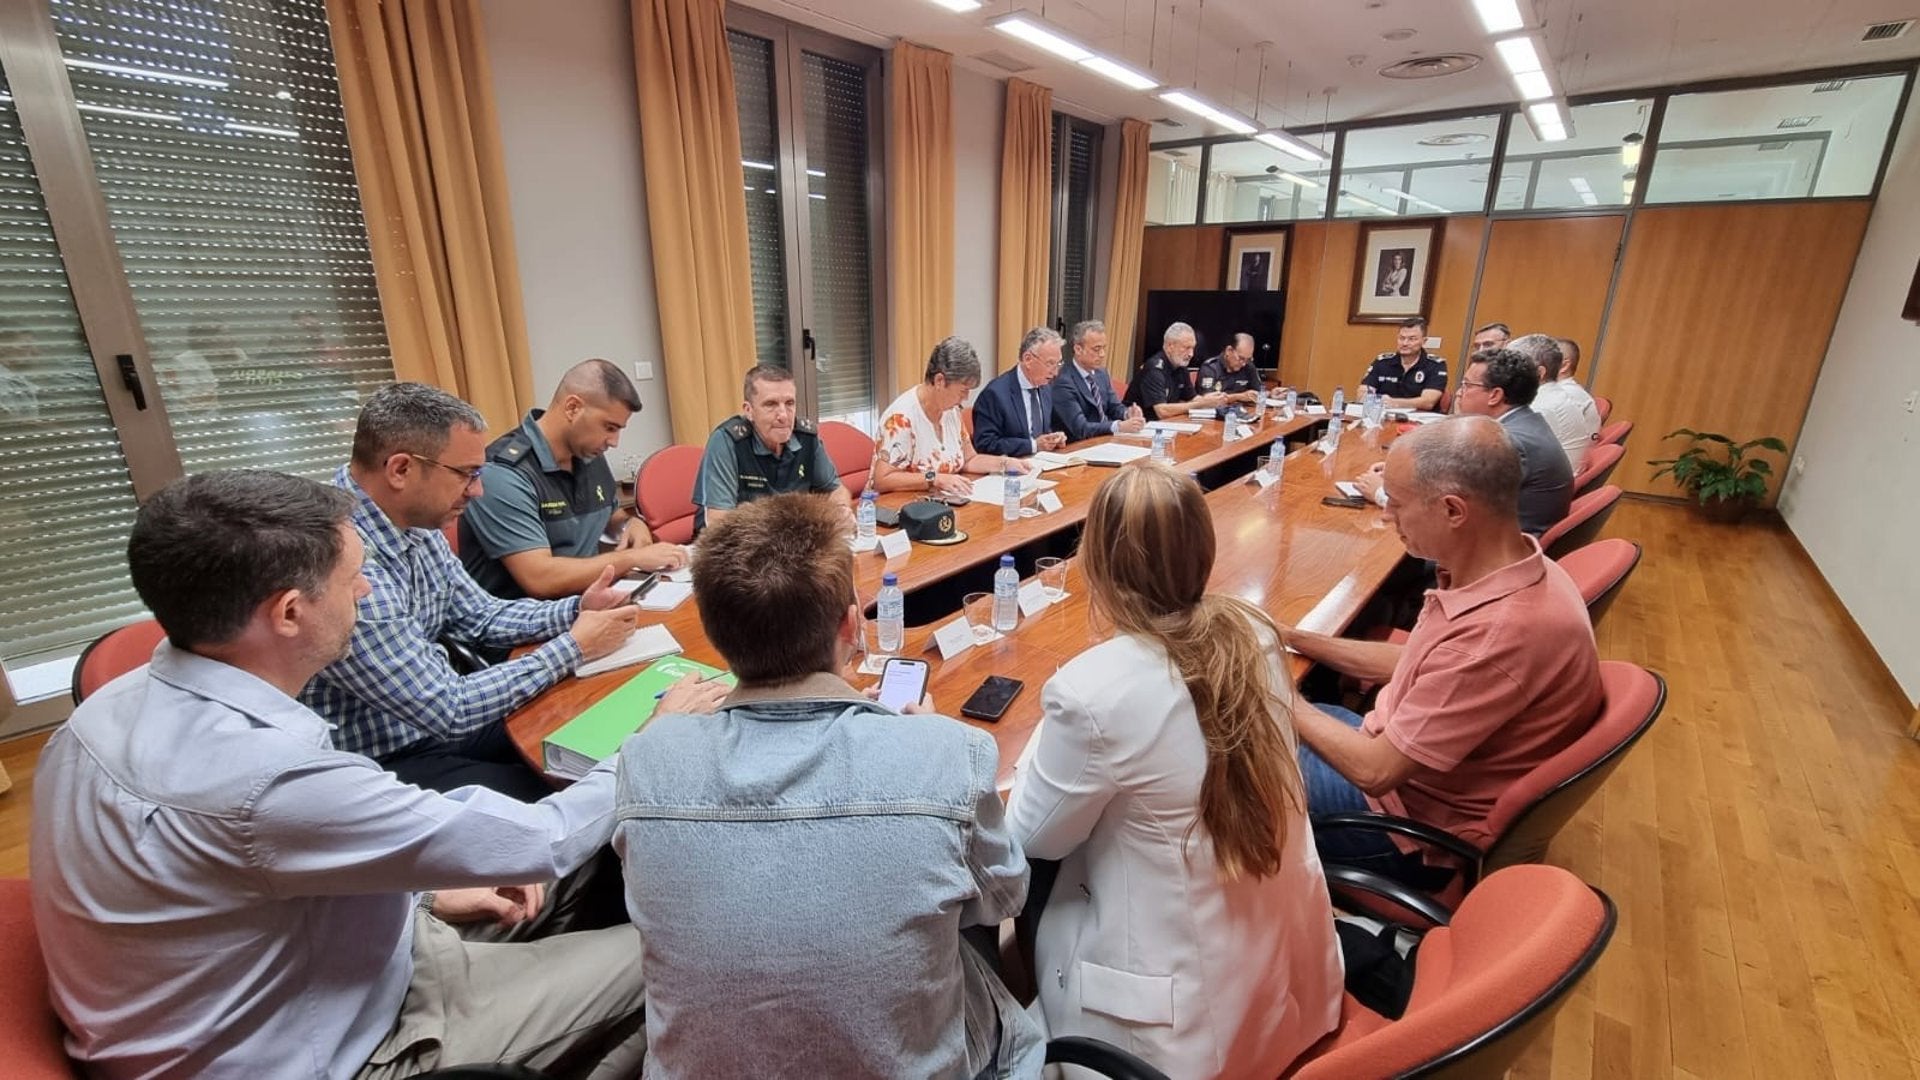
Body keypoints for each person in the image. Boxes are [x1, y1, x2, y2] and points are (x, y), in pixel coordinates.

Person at [29, 469, 710, 1079]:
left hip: (304, 973)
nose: (366, 589)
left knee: (583, 876)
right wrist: (649, 742)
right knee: (679, 954)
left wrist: (424, 895)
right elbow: (542, 838)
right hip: (340, 1044)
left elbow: (221, 878)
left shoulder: (96, 716)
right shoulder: (269, 781)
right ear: (290, 612)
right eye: (354, 577)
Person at [612, 493, 1043, 1077]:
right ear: (850, 623)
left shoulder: (645, 762)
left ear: (713, 634)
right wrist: (926, 748)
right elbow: (1005, 899)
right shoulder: (948, 755)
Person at [1006, 464, 1341, 1078]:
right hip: (1275, 978)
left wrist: (1034, 753)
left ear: (1098, 566)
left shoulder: (1091, 691)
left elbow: (1032, 840)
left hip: (1168, 1034)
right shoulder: (1256, 632)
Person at [1282, 418, 1602, 880]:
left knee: (1212, 765)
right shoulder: (1517, 568)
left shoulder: (1498, 633)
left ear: (1454, 510)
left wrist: (1274, 688)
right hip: (1396, 756)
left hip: (1398, 827)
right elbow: (1414, 662)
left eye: (1396, 503)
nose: (1387, 514)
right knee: (1252, 724)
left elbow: (1375, 772)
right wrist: (1291, 636)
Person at [301, 383, 644, 801]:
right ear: (400, 470)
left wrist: (576, 609)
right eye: (467, 474)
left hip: (437, 722)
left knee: (592, 731)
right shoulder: (343, 563)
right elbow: (450, 709)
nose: (477, 490)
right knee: (573, 796)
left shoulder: (412, 522)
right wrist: (574, 647)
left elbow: (481, 616)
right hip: (388, 759)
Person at [460, 359, 687, 600]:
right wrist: (631, 558)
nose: (614, 442)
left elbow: (611, 516)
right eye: (609, 427)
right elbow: (541, 579)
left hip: (588, 603)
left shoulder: (587, 453)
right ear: (572, 408)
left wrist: (632, 524)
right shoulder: (503, 473)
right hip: (525, 624)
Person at [692, 363, 848, 532]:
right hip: (736, 546)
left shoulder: (806, 436)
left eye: (789, 403)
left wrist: (842, 512)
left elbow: (836, 490)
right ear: (749, 410)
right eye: (771, 404)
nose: (783, 415)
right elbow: (719, 522)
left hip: (791, 540)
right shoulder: (727, 441)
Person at [871, 336, 1030, 498]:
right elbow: (882, 480)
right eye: (963, 390)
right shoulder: (901, 418)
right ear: (940, 380)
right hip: (906, 510)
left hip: (946, 502)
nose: (966, 398)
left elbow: (969, 460)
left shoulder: (951, 411)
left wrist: (1005, 463)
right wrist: (935, 479)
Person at [1453, 348, 1574, 536]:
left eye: (1467, 385)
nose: (1459, 392)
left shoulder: (1509, 442)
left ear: (1495, 395)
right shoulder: (1527, 422)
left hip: (1496, 550)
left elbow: (1455, 499)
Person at [971, 326, 1071, 458]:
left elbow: (1042, 431)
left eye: (1058, 364)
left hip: (1043, 463)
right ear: (1028, 359)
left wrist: (1054, 438)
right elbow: (985, 444)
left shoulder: (1045, 387)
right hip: (1010, 469)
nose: (1055, 372)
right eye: (1050, 363)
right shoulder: (995, 394)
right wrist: (1033, 445)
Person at [1510, 333, 1599, 471]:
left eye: (1512, 366)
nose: (1502, 372)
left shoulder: (1542, 408)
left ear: (1540, 373)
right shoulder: (1552, 396)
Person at [1050, 318, 1145, 441]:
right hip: (1078, 446)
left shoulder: (1101, 373)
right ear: (1078, 349)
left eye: (1104, 348)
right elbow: (1081, 428)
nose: (1102, 354)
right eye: (1096, 349)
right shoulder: (1063, 381)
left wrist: (1127, 413)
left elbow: (1114, 407)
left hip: (1105, 440)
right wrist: (1117, 426)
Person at [1126, 322, 1229, 419]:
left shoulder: (1181, 367)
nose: (1191, 354)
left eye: (1193, 348)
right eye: (1186, 348)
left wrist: (1210, 399)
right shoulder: (1154, 368)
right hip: (1138, 426)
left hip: (1166, 425)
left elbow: (1192, 398)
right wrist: (1201, 404)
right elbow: (1162, 411)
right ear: (1170, 346)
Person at [1359, 316, 1447, 410]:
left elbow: (1428, 402)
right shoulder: (1382, 362)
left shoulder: (1435, 365)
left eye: (1412, 339)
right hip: (1382, 415)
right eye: (1402, 338)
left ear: (1423, 341)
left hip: (1419, 420)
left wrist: (1393, 402)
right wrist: (1370, 398)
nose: (1405, 343)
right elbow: (1362, 393)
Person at [1195, 332, 1263, 403]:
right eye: (1241, 358)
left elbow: (1258, 392)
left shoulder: (1249, 367)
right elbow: (1208, 400)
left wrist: (1270, 394)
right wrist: (1239, 396)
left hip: (1243, 411)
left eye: (1248, 359)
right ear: (1229, 350)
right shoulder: (1210, 368)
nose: (1243, 364)